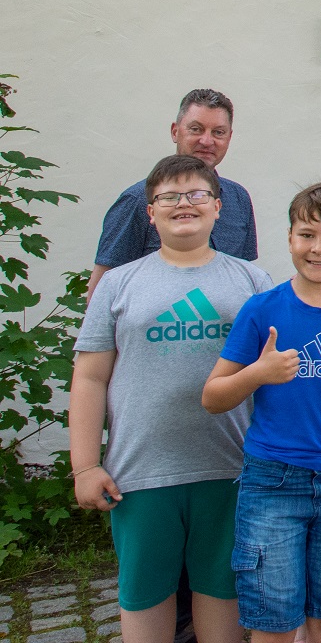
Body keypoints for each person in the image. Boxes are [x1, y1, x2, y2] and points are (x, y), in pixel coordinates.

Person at [70, 155, 271, 643]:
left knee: (221, 595)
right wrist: (85, 466)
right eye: (170, 196)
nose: (184, 204)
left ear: (219, 208)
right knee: (145, 596)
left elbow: (274, 377)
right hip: (140, 474)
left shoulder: (252, 282)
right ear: (150, 212)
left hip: (232, 471)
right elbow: (90, 378)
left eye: (197, 194)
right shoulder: (119, 284)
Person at [202, 184, 321, 643]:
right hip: (273, 480)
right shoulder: (263, 309)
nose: (318, 248)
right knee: (274, 625)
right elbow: (213, 396)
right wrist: (258, 373)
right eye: (307, 234)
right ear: (289, 238)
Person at [89, 89, 257, 300]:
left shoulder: (238, 198)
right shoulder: (136, 201)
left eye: (218, 132)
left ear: (229, 137)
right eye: (196, 129)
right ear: (175, 132)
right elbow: (100, 295)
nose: (207, 141)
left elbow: (246, 282)